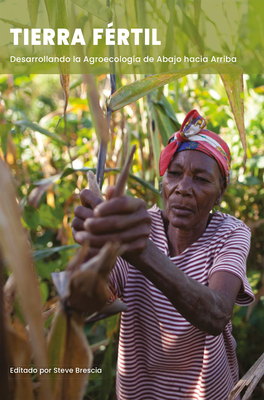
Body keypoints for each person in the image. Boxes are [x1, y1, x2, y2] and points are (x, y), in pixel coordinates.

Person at [72, 109, 254, 400]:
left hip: (208, 391)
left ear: (221, 192)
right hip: (139, 391)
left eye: (201, 179)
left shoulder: (230, 233)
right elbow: (89, 301)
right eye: (174, 173)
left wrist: (141, 251)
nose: (183, 188)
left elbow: (217, 313)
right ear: (162, 183)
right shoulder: (139, 225)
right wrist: (91, 255)